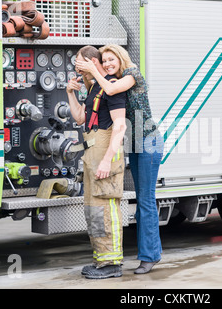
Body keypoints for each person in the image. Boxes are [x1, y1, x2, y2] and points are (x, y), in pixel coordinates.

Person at [75, 44, 164, 274]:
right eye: (103, 60)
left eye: (111, 59)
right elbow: (100, 92)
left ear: (121, 57)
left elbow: (111, 91)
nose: (107, 64)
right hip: (133, 143)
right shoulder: (111, 78)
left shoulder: (131, 75)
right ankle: (147, 253)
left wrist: (94, 69)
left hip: (147, 141)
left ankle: (150, 256)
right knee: (141, 200)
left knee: (145, 199)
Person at [66, 45, 127, 279]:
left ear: (93, 61)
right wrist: (70, 92)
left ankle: (112, 263)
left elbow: (119, 126)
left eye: (80, 63)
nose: (77, 68)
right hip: (92, 153)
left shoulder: (112, 88)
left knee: (106, 208)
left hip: (105, 154)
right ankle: (102, 260)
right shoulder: (95, 88)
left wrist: (106, 161)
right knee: (94, 209)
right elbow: (81, 117)